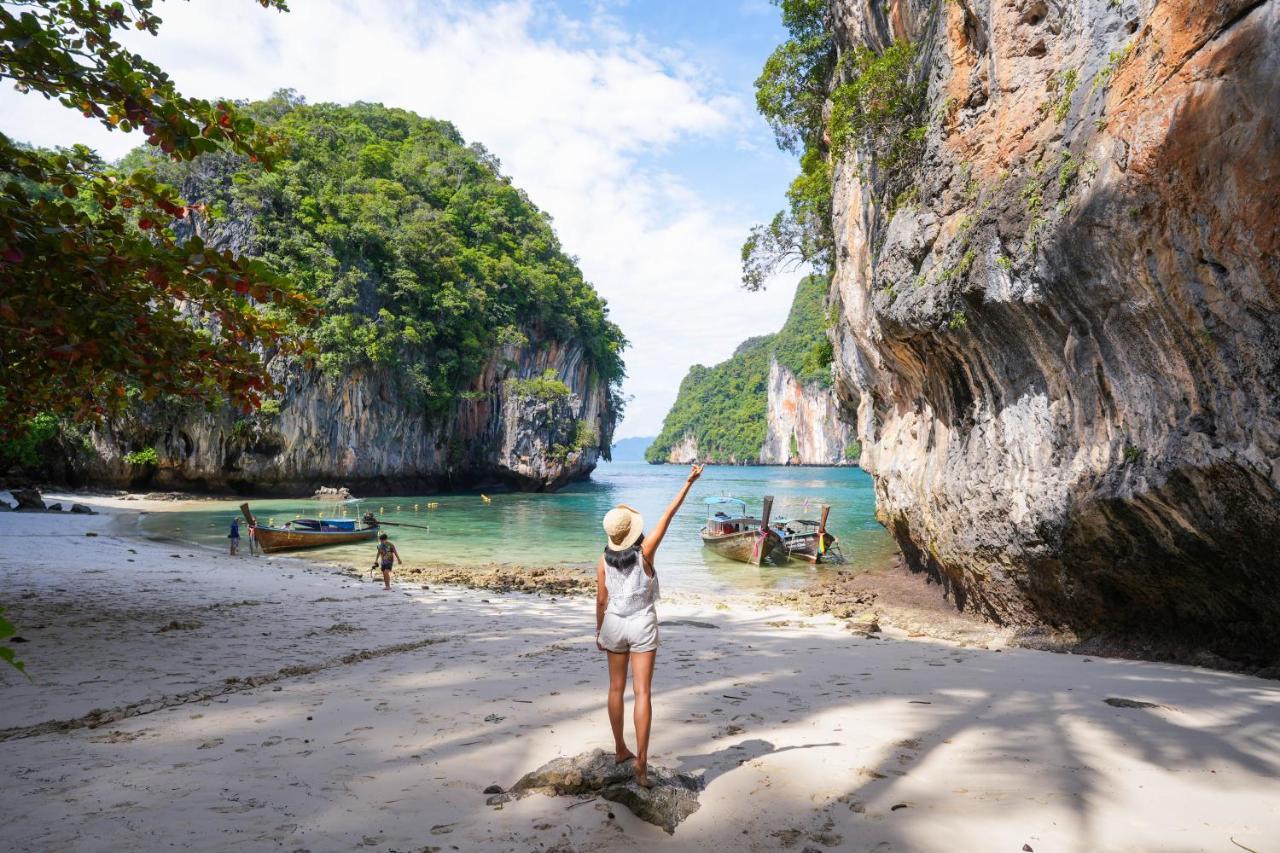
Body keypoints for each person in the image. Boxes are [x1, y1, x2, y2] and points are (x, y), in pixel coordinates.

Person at [596, 462, 704, 788]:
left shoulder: (602, 560)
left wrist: (599, 632)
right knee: (642, 692)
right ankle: (640, 764)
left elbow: (601, 600)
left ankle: (619, 749)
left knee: (616, 688)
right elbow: (669, 514)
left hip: (613, 625)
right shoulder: (646, 552)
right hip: (642, 625)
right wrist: (689, 481)